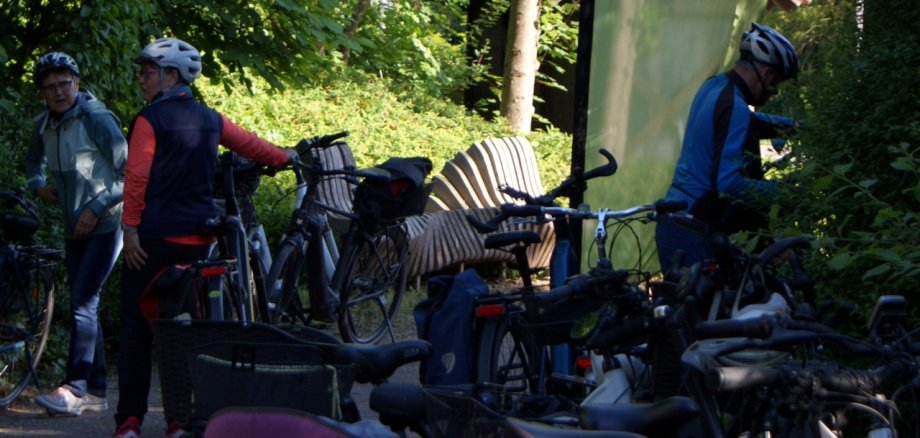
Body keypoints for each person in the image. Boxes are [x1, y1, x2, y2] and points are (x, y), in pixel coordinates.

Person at [112, 37, 296, 438]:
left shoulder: (149, 120)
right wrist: (286, 157)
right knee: (189, 330)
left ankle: (129, 421)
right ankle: (181, 420)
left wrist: (130, 230)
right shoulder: (211, 119)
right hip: (198, 240)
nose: (142, 79)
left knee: (137, 328)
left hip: (154, 241)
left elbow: (136, 177)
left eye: (148, 72)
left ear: (171, 76)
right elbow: (252, 145)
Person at [26, 52, 127, 416]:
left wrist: (95, 208)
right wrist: (38, 185)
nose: (58, 92)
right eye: (49, 86)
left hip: (107, 224)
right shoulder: (44, 125)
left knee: (83, 302)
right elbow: (33, 161)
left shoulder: (97, 118)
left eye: (64, 83)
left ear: (77, 83)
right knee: (86, 304)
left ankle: (75, 387)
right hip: (74, 228)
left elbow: (130, 173)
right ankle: (96, 391)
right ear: (42, 92)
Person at [656, 22, 799, 273]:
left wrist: (794, 127)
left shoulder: (714, 86)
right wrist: (787, 194)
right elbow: (728, 184)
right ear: (767, 74)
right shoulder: (736, 107)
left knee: (675, 298)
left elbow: (751, 122)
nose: (774, 93)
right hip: (696, 231)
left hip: (673, 222)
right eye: (776, 83)